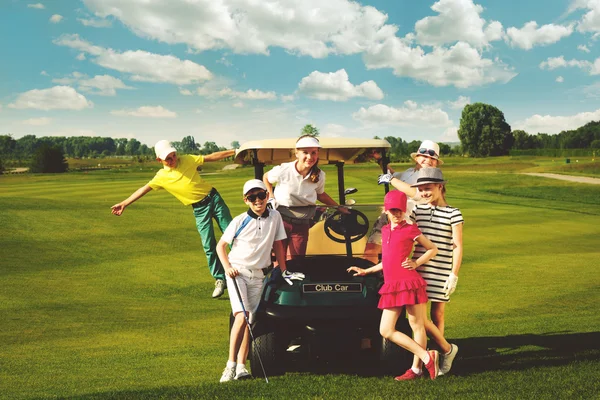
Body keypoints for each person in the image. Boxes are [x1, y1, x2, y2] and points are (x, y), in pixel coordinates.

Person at [111, 140, 235, 298]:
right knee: (208, 245)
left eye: (174, 155)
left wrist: (234, 151)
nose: (173, 160)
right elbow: (144, 189)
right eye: (168, 158)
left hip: (214, 199)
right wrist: (124, 203)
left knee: (231, 235)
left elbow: (211, 157)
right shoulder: (161, 177)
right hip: (198, 209)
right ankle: (220, 279)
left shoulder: (188, 159)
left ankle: (245, 269)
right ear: (159, 160)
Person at [378, 167, 463, 376]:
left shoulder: (453, 213)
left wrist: (454, 274)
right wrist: (392, 179)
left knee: (435, 315)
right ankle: (429, 360)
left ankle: (442, 354)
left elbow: (458, 245)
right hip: (415, 270)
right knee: (420, 320)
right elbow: (401, 214)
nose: (424, 193)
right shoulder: (418, 210)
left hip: (440, 269)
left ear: (440, 187)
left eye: (428, 188)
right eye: (422, 189)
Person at [347, 190, 440, 381]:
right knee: (386, 330)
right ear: (386, 210)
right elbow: (388, 261)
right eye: (392, 210)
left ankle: (416, 369)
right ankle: (426, 356)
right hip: (392, 285)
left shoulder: (410, 229)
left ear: (404, 210)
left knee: (417, 325)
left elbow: (432, 249)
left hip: (409, 282)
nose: (396, 214)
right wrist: (367, 271)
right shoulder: (385, 230)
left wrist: (416, 263)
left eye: (399, 210)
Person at [216, 179, 288, 382]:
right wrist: (228, 268)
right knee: (242, 316)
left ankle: (241, 367)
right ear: (246, 200)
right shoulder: (239, 220)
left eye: (261, 195)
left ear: (267, 195)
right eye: (252, 197)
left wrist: (283, 270)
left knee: (251, 321)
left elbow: (278, 245)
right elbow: (220, 246)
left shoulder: (275, 216)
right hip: (237, 273)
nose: (258, 200)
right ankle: (229, 366)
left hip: (258, 275)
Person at [263, 135, 344, 259]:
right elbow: (266, 177)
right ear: (296, 153)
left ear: (317, 154)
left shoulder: (320, 175)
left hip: (302, 223)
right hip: (280, 220)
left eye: (313, 153)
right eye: (305, 152)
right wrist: (271, 196)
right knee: (278, 261)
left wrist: (339, 207)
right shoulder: (284, 169)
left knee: (295, 262)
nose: (310, 157)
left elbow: (320, 194)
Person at [363, 140, 443, 264]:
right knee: (371, 251)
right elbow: (394, 175)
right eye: (424, 156)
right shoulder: (410, 172)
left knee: (392, 256)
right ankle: (371, 280)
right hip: (388, 217)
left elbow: (415, 193)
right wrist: (379, 160)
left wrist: (391, 180)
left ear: (436, 163)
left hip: (404, 223)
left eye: (432, 158)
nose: (428, 160)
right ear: (416, 157)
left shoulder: (430, 177)